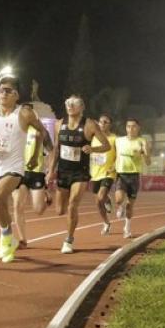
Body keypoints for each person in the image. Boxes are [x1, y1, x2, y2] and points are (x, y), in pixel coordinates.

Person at [0, 76, 49, 262]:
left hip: (14, 167)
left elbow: (42, 132)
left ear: (16, 95)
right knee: (0, 205)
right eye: (0, 90)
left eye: (8, 91)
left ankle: (6, 240)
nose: (3, 93)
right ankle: (9, 237)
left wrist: (36, 155)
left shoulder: (24, 113)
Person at [46, 95, 110, 254]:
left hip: (80, 173)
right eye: (67, 103)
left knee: (73, 204)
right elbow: (56, 149)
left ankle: (68, 240)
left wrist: (92, 149)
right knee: (60, 210)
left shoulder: (90, 125)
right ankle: (69, 215)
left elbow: (106, 145)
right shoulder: (59, 124)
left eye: (74, 103)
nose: (70, 106)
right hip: (63, 172)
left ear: (81, 107)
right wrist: (51, 171)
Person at [12, 102, 52, 249]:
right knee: (17, 205)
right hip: (18, 171)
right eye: (23, 111)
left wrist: (50, 170)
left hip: (36, 172)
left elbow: (51, 150)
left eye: (29, 111)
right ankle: (22, 239)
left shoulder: (42, 131)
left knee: (38, 210)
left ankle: (46, 198)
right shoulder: (15, 129)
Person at [113, 118, 151, 238]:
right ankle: (120, 207)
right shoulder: (118, 140)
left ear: (138, 128)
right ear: (126, 128)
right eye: (128, 126)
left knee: (130, 205)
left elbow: (148, 162)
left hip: (134, 175)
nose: (131, 129)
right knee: (118, 199)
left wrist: (143, 153)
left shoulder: (142, 141)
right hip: (121, 174)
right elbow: (113, 155)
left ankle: (127, 228)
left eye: (134, 126)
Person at [89, 114, 117, 235]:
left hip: (108, 173)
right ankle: (106, 222)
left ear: (110, 124)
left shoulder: (115, 139)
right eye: (101, 122)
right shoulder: (93, 138)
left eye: (106, 122)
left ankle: (105, 198)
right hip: (95, 173)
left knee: (100, 197)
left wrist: (114, 166)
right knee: (98, 202)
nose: (102, 124)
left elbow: (119, 155)